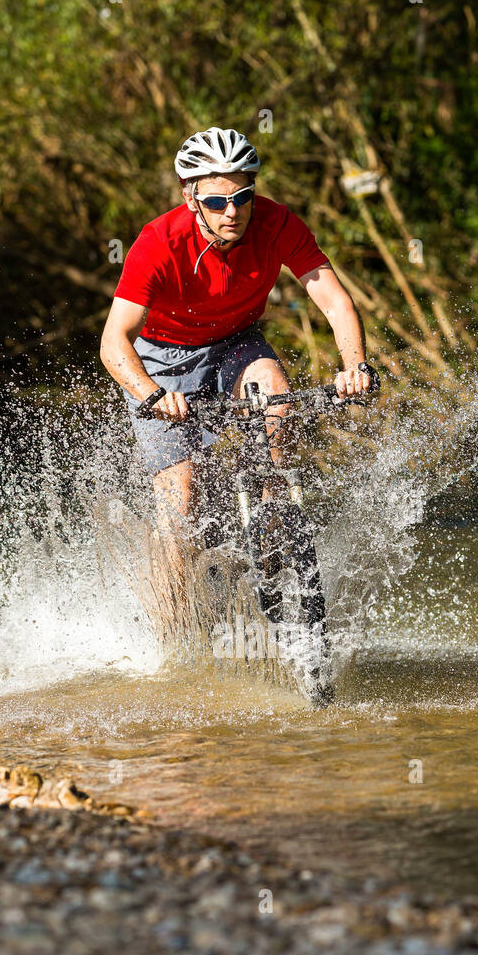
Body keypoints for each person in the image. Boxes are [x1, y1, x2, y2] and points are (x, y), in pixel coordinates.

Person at [100, 126, 376, 608]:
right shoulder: (156, 243)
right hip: (162, 360)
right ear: (190, 198)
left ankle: (272, 522)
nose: (232, 212)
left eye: (243, 197)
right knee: (181, 503)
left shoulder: (277, 223)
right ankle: (172, 625)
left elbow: (333, 302)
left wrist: (355, 366)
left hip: (235, 341)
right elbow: (113, 342)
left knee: (274, 391)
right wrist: (152, 395)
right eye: (215, 202)